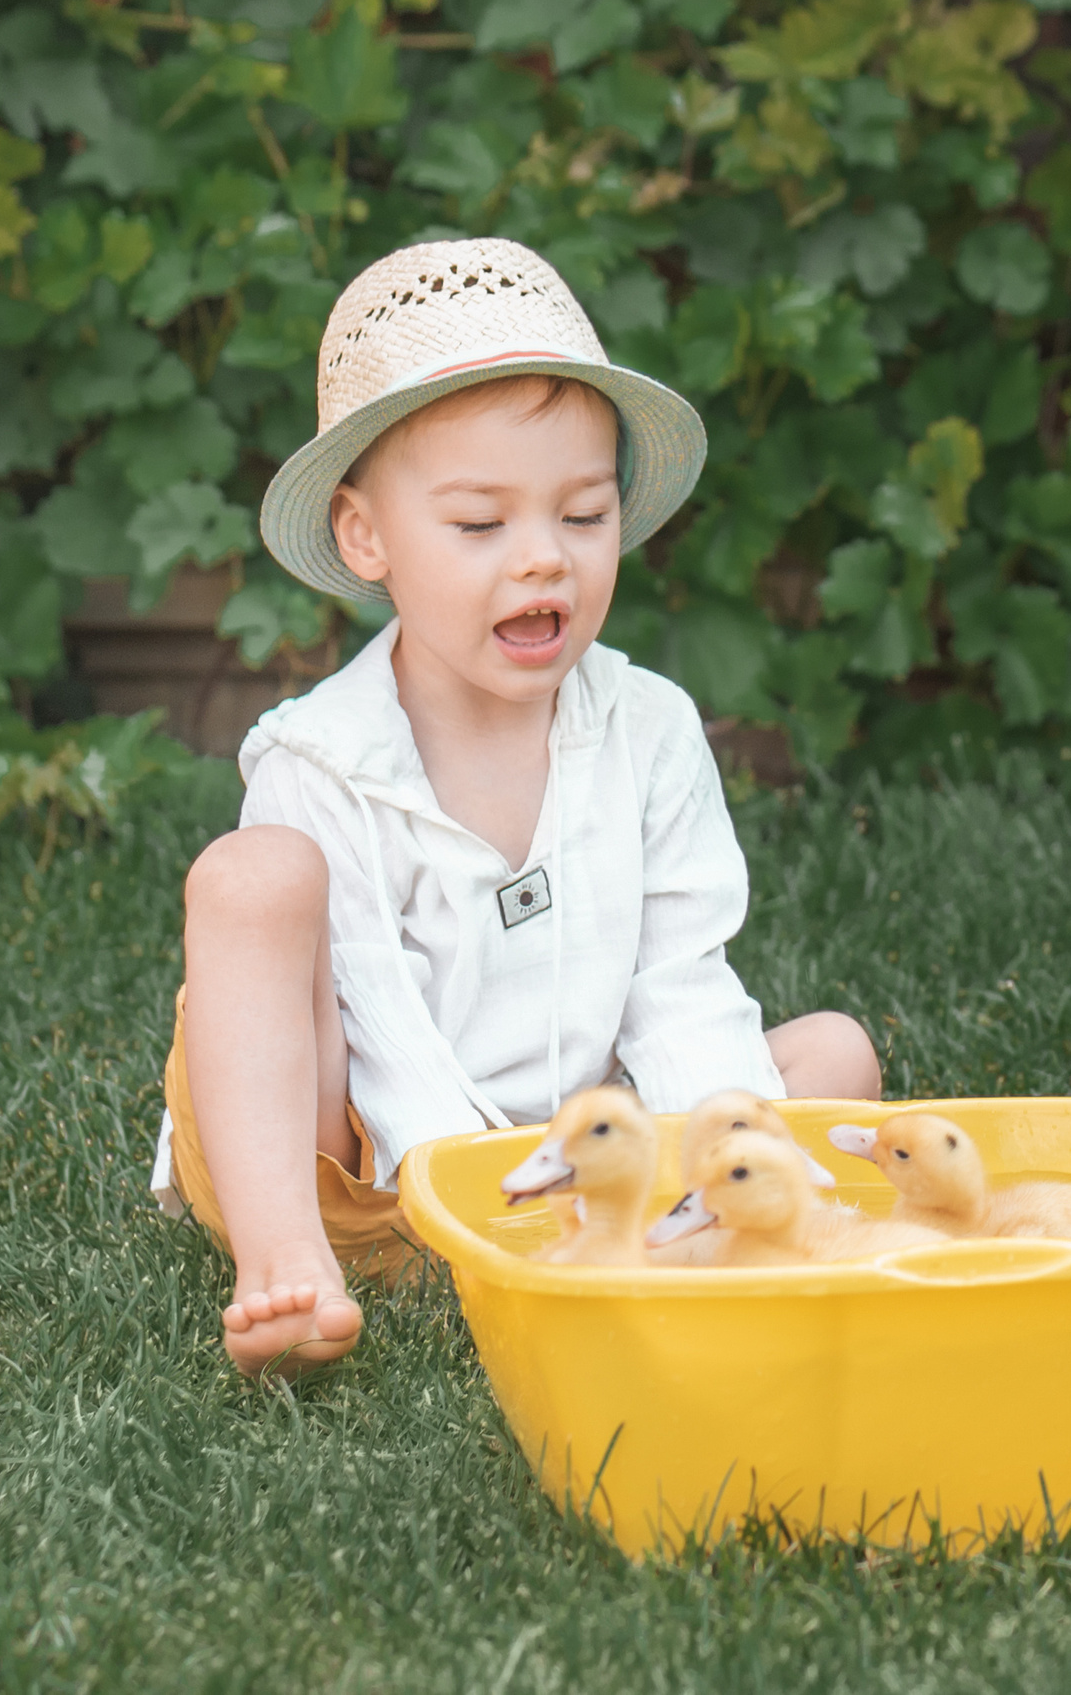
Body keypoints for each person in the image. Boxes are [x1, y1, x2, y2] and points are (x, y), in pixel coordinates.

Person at [152, 239, 881, 1378]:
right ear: (366, 537)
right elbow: (378, 1016)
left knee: (831, 1059)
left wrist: (711, 1149)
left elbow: (678, 980)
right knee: (253, 878)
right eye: (480, 527)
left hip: (566, 1153)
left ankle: (666, 1248)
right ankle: (285, 1269)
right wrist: (473, 1196)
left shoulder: (646, 728)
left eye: (582, 517)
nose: (542, 560)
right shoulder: (324, 759)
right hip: (356, 1163)